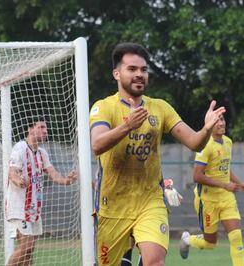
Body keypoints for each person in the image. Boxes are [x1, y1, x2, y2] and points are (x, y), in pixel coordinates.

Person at [89, 42, 225, 266]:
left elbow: (194, 143)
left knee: (155, 262)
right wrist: (127, 127)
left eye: (143, 70)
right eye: (131, 69)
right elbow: (97, 144)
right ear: (116, 73)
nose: (139, 74)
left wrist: (206, 129)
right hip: (111, 206)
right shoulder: (103, 107)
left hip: (150, 201)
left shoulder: (160, 108)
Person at [179, 114, 244, 266]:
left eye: (223, 119)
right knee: (210, 243)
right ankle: (187, 240)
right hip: (207, 200)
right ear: (209, 124)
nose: (221, 123)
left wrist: (239, 183)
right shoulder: (205, 146)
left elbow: (225, 169)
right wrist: (224, 185)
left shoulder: (228, 142)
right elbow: (197, 176)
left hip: (226, 198)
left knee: (236, 237)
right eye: (217, 120)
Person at [5, 117, 78, 266]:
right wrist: (19, 180)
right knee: (27, 246)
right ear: (30, 129)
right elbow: (12, 172)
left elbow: (53, 174)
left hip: (34, 208)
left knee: (28, 253)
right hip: (19, 208)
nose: (46, 131)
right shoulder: (20, 148)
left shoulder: (42, 153)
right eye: (41, 127)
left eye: (46, 128)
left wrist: (67, 180)